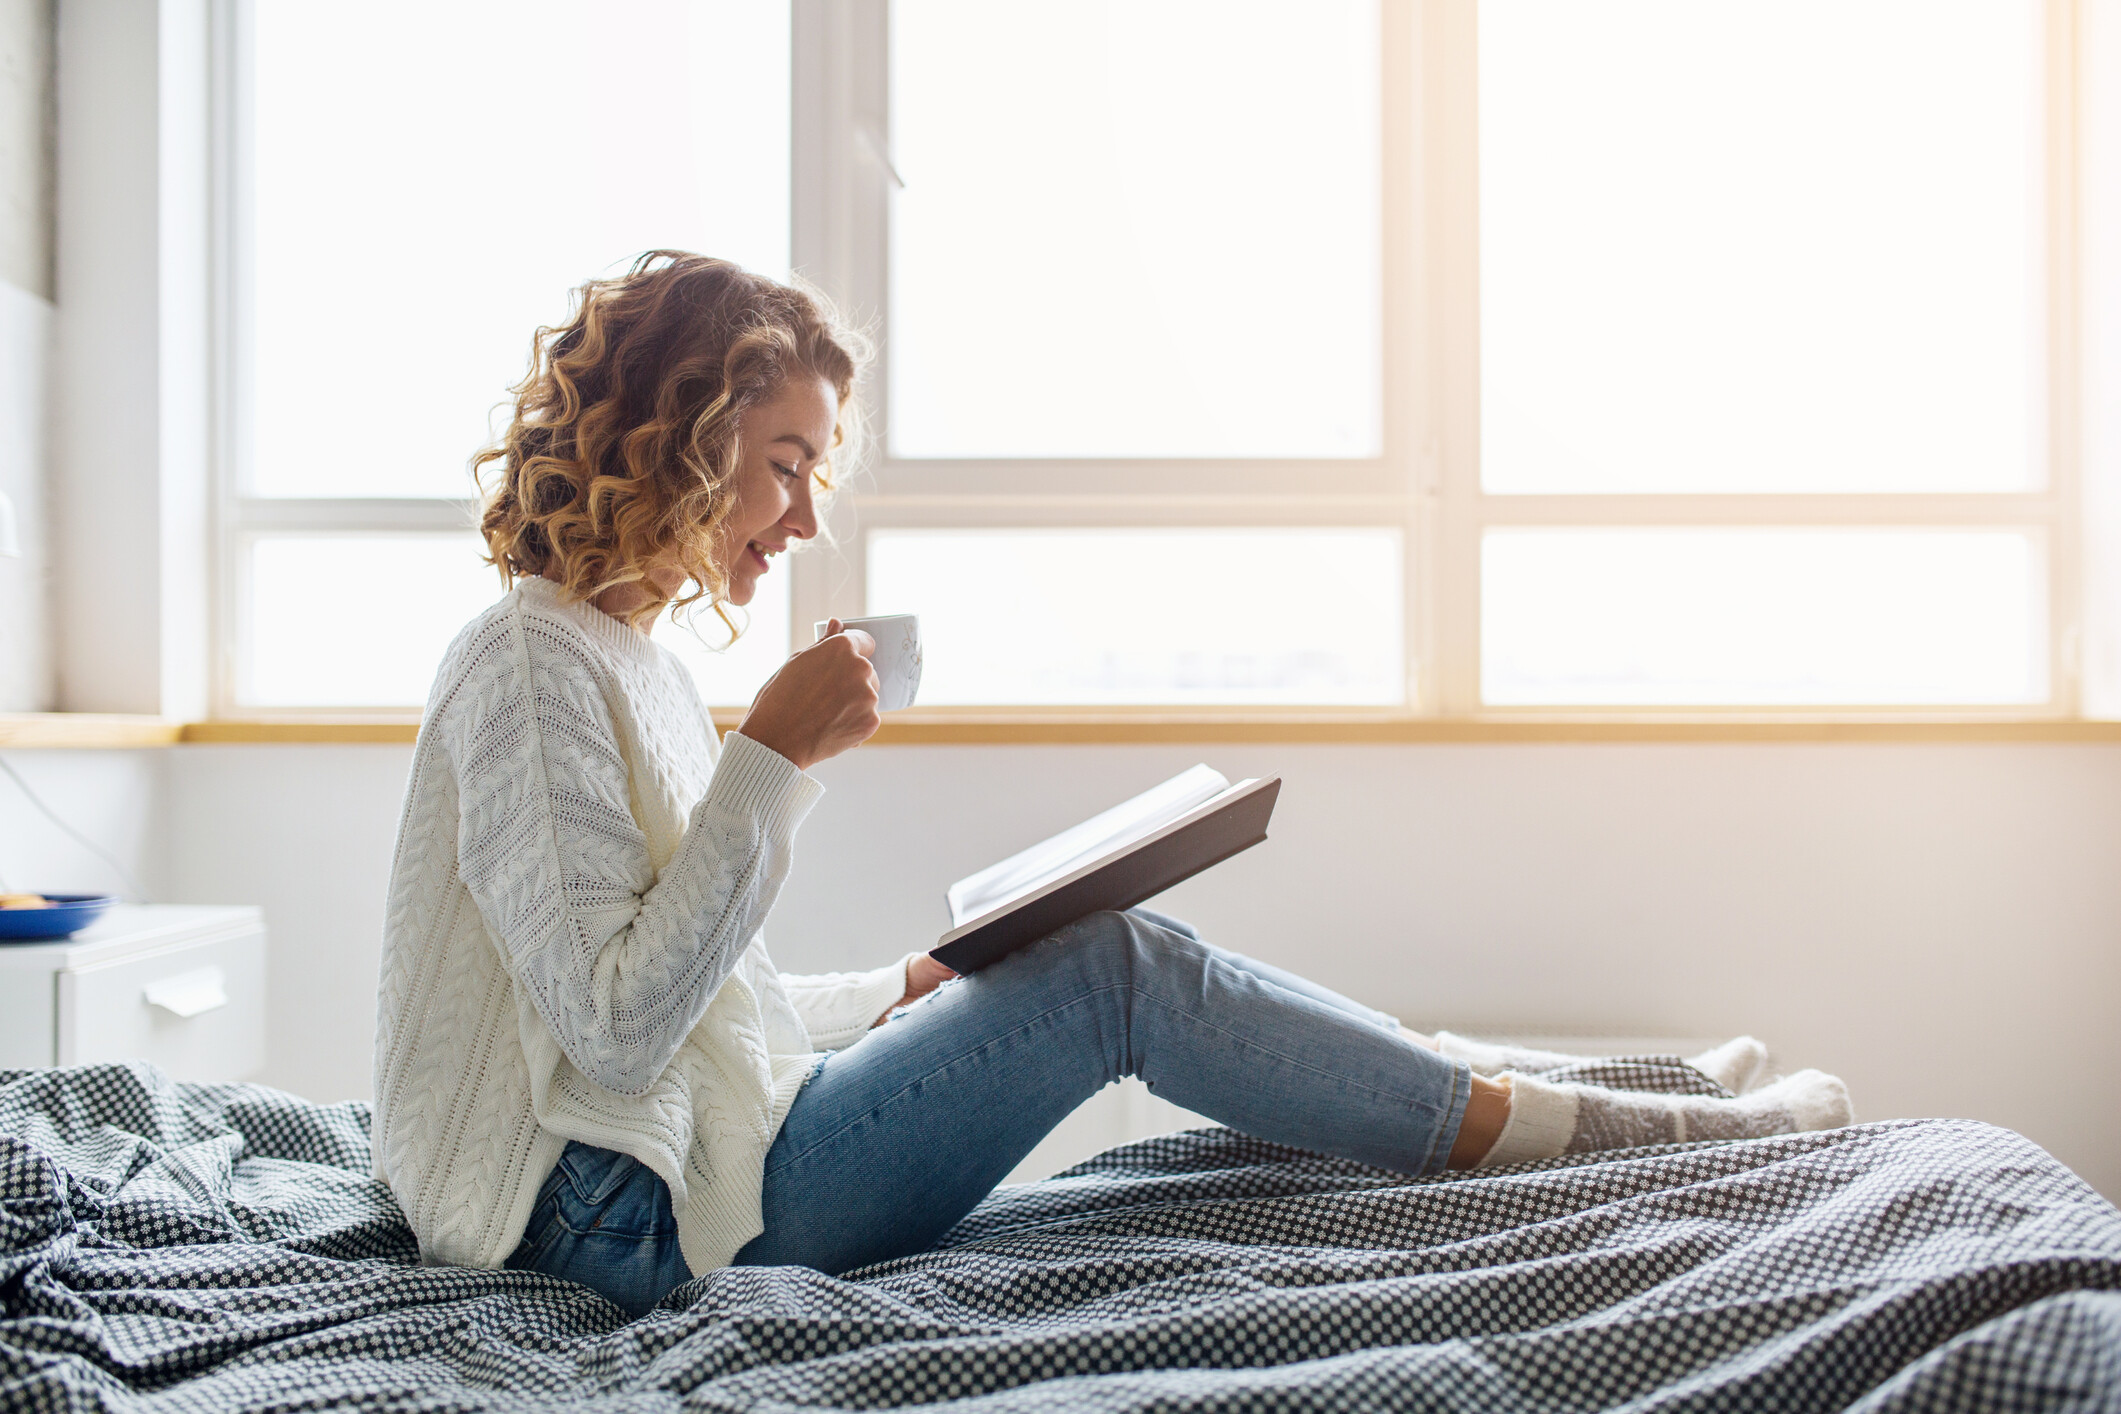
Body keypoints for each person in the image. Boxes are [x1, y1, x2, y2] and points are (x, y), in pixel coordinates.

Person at [372, 251, 1852, 1321]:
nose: (803, 517)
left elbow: (694, 1006)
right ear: (681, 437)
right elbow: (620, 1034)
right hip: (608, 1223)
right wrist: (769, 759)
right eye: (781, 464)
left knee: (1085, 958)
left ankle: (1601, 1095)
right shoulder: (524, 664)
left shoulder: (615, 655)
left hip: (675, 1159)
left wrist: (899, 983)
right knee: (1119, 974)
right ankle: (1620, 1131)